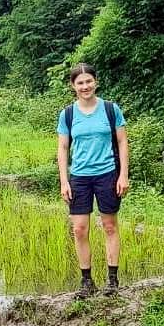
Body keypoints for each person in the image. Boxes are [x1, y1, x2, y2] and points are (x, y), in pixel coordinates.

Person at [57, 63, 130, 297]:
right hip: (79, 176)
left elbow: (122, 142)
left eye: (89, 81)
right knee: (79, 229)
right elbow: (63, 148)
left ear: (95, 82)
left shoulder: (110, 109)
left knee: (109, 225)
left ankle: (112, 279)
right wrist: (64, 180)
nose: (85, 86)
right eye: (80, 83)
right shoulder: (67, 114)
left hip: (107, 173)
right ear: (73, 86)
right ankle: (87, 281)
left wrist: (123, 174)